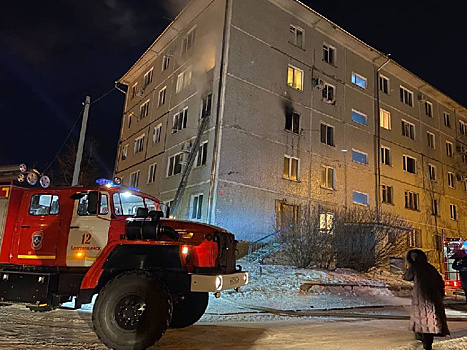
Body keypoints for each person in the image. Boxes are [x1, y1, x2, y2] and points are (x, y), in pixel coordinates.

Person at [403, 249, 450, 350]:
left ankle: (425, 343)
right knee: (431, 322)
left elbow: (407, 277)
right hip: (434, 298)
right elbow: (440, 282)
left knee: (422, 322)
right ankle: (427, 342)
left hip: (421, 299)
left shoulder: (415, 267)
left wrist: (410, 266)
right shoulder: (430, 267)